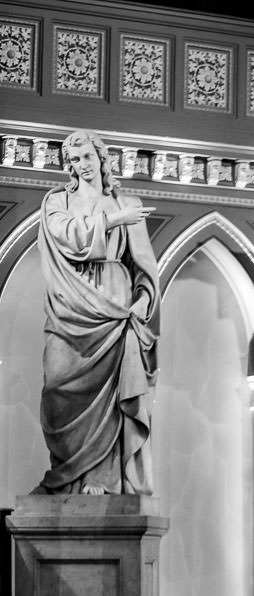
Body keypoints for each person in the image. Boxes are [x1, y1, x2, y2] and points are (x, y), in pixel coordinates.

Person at [35, 129, 158, 495]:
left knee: (111, 400)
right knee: (58, 390)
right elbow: (64, 233)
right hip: (69, 306)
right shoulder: (57, 202)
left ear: (101, 158)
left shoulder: (126, 200)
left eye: (87, 156)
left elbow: (144, 266)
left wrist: (143, 301)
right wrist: (113, 221)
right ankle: (67, 478)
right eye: (73, 160)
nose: (81, 165)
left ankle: (103, 480)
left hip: (115, 304)